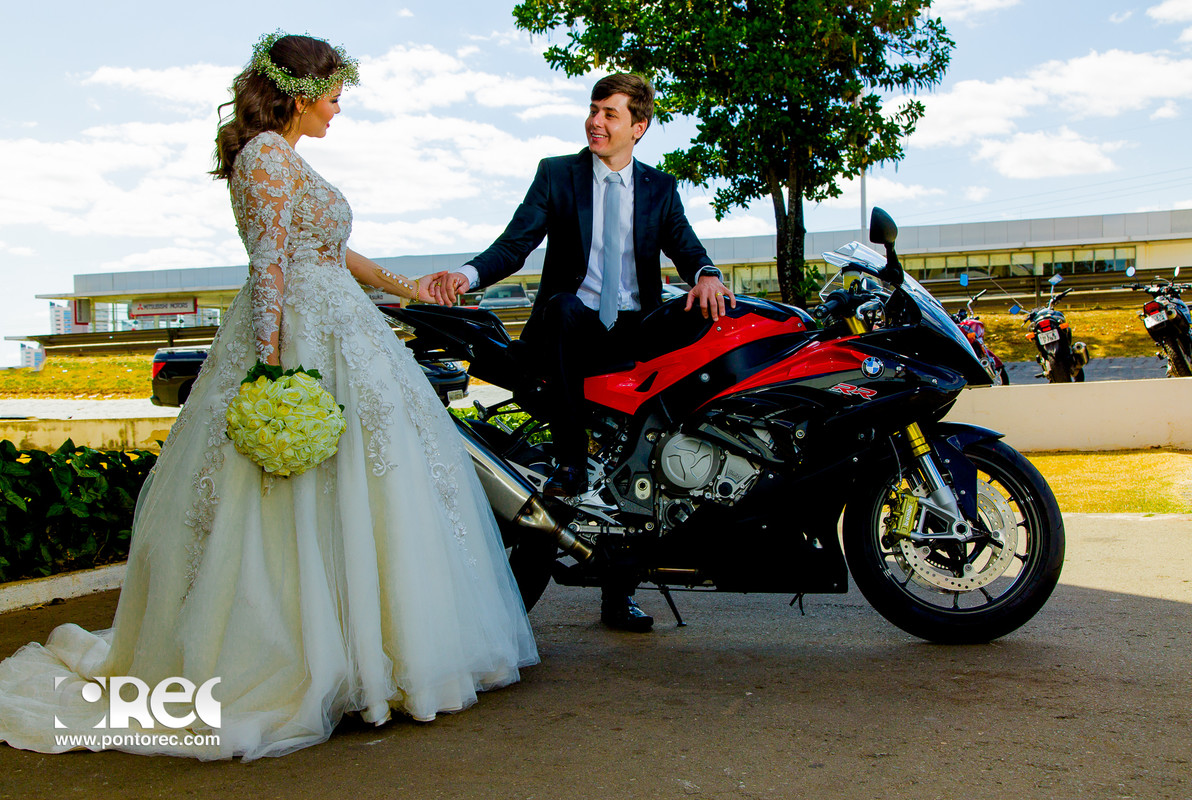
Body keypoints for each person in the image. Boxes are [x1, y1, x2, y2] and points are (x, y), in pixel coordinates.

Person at [0, 32, 537, 761]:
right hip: (299, 344)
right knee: (294, 502)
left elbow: (331, 253)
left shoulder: (290, 160)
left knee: (371, 493)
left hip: (344, 331)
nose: (340, 106)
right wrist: (273, 374)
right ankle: (310, 660)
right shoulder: (262, 157)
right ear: (301, 91)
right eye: (335, 92)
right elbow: (272, 265)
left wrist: (414, 292)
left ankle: (373, 657)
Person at [431, 73, 734, 633]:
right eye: (593, 109)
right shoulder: (558, 174)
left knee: (642, 449)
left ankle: (625, 588)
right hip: (569, 330)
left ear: (638, 128)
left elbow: (687, 246)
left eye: (610, 114)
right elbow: (516, 241)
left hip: (632, 333)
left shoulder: (660, 189)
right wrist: (467, 274)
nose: (596, 121)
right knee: (567, 307)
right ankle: (570, 459)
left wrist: (708, 275)